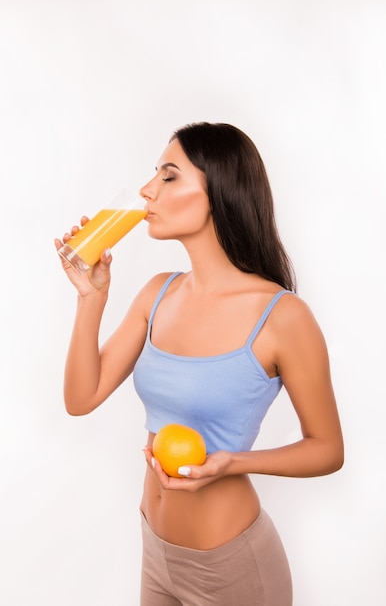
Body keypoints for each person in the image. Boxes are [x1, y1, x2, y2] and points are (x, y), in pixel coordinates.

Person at [55, 122, 344, 606]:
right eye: (155, 174)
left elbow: (328, 449)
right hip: (156, 551)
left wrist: (233, 463)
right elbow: (80, 399)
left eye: (170, 176)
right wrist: (91, 299)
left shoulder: (283, 317)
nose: (148, 189)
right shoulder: (158, 292)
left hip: (231, 567)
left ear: (219, 195)